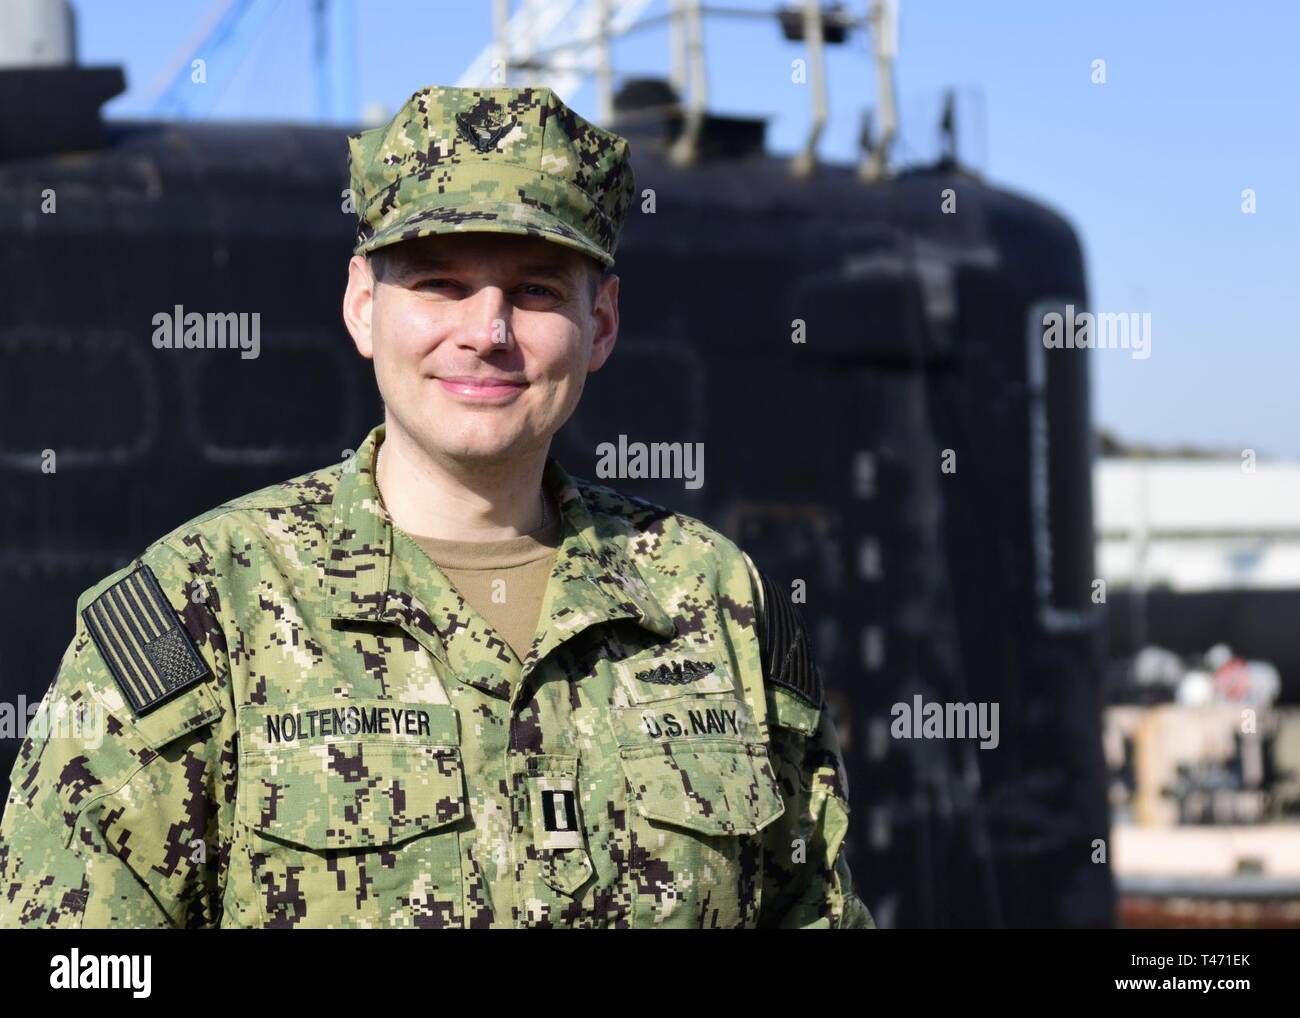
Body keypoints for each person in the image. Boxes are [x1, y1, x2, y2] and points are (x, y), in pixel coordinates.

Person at [0, 85, 872, 928]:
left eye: (535, 290)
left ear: (600, 322)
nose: (487, 332)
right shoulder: (202, 610)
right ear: (363, 307)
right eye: (441, 284)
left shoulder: (713, 602)